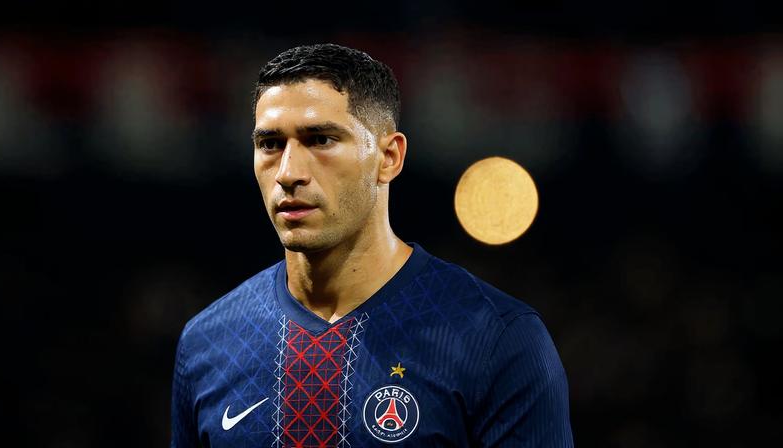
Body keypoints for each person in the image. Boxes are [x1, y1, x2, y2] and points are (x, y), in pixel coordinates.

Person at [171, 43, 574, 447]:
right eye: (270, 144)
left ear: (389, 157)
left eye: (321, 139)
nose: (288, 173)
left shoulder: (496, 339)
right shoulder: (207, 343)